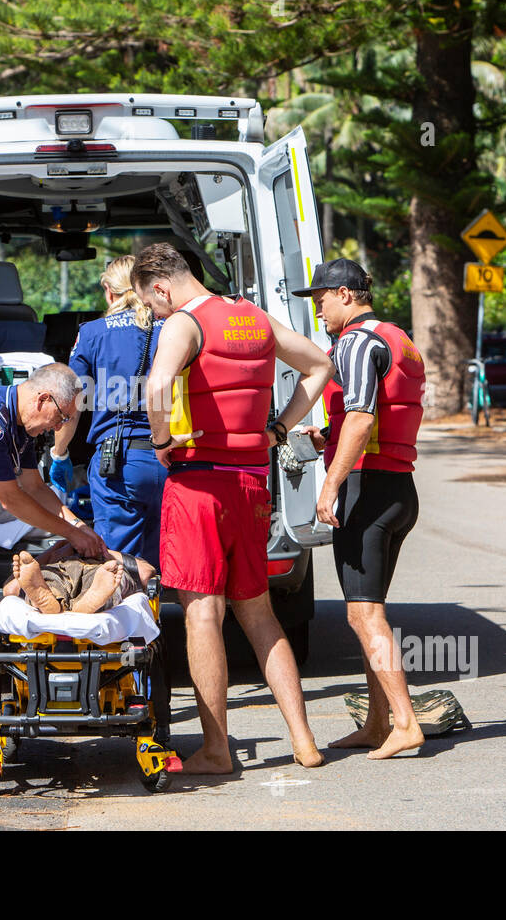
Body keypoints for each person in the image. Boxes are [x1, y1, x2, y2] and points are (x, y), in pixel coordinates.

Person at [132, 242, 331, 774]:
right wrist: (279, 429)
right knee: (259, 613)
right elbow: (319, 364)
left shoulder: (183, 322)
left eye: (151, 304)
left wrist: (159, 440)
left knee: (202, 615)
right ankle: (304, 741)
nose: (155, 313)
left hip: (198, 485)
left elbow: (157, 385)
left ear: (161, 287)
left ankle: (217, 749)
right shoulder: (252, 316)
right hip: (251, 483)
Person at [296, 259, 426, 760]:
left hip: (364, 490)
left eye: (321, 300)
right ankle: (377, 723)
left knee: (364, 614)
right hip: (398, 488)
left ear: (346, 295)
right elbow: (384, 412)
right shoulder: (398, 338)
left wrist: (328, 487)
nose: (318, 311)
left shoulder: (353, 341)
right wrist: (326, 436)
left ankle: (405, 722)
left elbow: (362, 416)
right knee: (368, 611)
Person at [51, 256, 168, 568]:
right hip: (174, 457)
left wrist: (59, 453)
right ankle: (156, 613)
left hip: (120, 464)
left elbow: (70, 398)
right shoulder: (174, 327)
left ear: (109, 291)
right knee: (168, 559)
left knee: (119, 565)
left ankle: (130, 613)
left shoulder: (92, 333)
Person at [0, 363, 106, 559]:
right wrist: (72, 534)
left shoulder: (18, 417)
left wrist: (80, 527)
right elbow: (11, 499)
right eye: (61, 417)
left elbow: (35, 487)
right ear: (42, 399)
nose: (58, 428)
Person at [5, 542, 153, 615]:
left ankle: (88, 601)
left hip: (97, 572)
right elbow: (10, 588)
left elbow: (146, 572)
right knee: (48, 579)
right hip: (59, 570)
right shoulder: (55, 558)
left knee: (113, 580)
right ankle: (50, 599)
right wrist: (58, 549)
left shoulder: (107, 566)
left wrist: (104, 551)